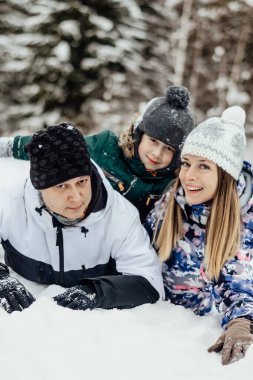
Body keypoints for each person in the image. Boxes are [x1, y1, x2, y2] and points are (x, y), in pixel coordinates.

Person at [0, 123, 164, 314]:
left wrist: (97, 291)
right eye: (61, 186)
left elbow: (150, 283)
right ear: (40, 187)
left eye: (82, 182)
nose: (77, 197)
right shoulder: (10, 202)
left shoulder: (120, 216)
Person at [145, 106, 253, 365]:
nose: (188, 175)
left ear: (226, 174)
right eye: (186, 163)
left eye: (204, 166)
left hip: (195, 337)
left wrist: (242, 322)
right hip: (153, 325)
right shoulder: (173, 200)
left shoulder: (244, 222)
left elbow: (239, 284)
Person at [0, 86, 194, 222]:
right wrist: (10, 146)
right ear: (138, 135)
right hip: (82, 226)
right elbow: (55, 146)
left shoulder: (169, 183)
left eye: (168, 149)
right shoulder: (106, 147)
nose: (157, 153)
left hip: (123, 245)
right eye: (153, 141)